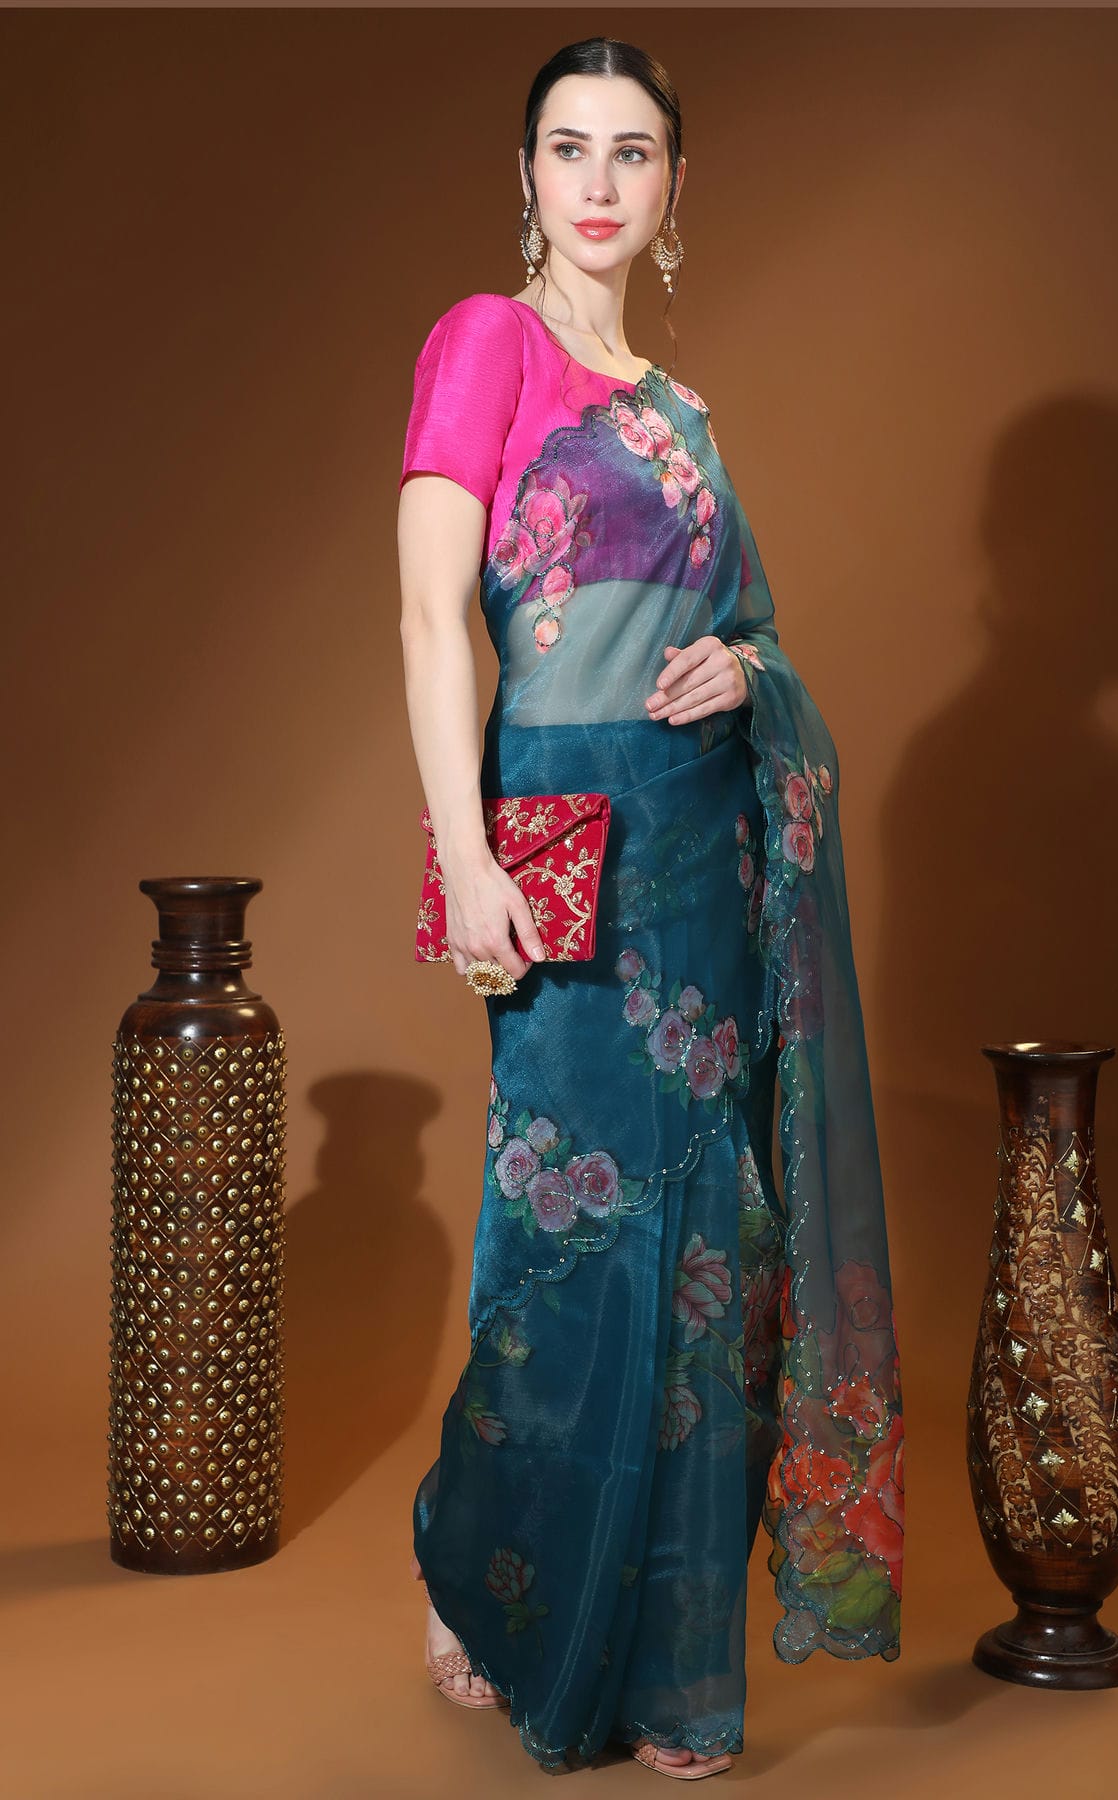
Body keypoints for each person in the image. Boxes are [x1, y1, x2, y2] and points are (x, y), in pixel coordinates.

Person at [395, 36, 905, 1781]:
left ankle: (678, 1670)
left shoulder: (683, 413)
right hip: (556, 831)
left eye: (632, 152)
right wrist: (464, 853)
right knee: (571, 1232)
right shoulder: (489, 342)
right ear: (524, 176)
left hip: (700, 851)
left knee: (713, 1251)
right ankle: (488, 1575)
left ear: (676, 184)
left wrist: (748, 675)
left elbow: (752, 628)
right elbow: (429, 616)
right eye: (568, 148)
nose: (599, 182)